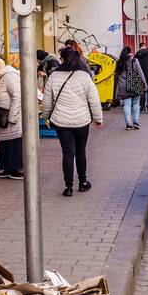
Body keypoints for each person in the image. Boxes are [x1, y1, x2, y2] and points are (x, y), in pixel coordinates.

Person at [42, 46, 103, 197]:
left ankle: (68, 187)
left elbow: (47, 102)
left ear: (61, 59)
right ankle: (83, 183)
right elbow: (93, 99)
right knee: (81, 152)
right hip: (82, 121)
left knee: (67, 153)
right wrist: (98, 118)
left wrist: (46, 116)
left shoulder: (54, 76)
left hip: (61, 122)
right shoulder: (84, 76)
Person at [0, 54, 23, 179]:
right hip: (3, 116)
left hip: (10, 117)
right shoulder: (2, 77)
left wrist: (12, 117)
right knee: (6, 143)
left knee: (13, 142)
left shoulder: (9, 77)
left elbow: (17, 96)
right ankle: (7, 168)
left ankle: (16, 169)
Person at [115, 45, 147, 129]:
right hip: (134, 83)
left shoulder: (119, 62)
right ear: (130, 52)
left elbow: (116, 75)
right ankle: (136, 122)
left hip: (122, 86)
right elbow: (140, 73)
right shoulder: (134, 60)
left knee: (126, 104)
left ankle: (128, 124)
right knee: (136, 103)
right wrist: (144, 83)